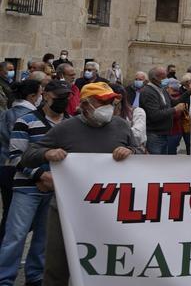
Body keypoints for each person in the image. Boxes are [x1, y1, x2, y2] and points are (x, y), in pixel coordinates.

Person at [20, 82, 139, 286]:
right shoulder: (65, 128)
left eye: (111, 102)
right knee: (57, 267)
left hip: (110, 211)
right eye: (101, 102)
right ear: (84, 105)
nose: (108, 107)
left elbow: (140, 154)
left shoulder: (121, 126)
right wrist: (47, 153)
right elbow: (28, 156)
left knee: (106, 264)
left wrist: (131, 152)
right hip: (66, 211)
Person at [0, 81, 69, 286]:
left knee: (44, 237)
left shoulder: (70, 124)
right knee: (16, 235)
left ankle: (35, 276)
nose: (63, 101)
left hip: (56, 190)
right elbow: (15, 156)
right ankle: (4, 278)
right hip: (27, 188)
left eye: (66, 97)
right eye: (58, 97)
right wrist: (40, 176)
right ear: (46, 95)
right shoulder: (26, 121)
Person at [0, 80, 42, 246]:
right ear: (32, 96)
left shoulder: (7, 113)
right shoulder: (28, 116)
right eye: (40, 94)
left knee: (9, 212)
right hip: (17, 168)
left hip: (4, 165)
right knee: (17, 217)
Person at [140, 66, 189, 154]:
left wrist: (188, 93)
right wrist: (175, 109)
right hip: (154, 135)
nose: (166, 79)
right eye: (163, 77)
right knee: (155, 161)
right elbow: (155, 115)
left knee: (163, 160)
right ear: (154, 79)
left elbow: (173, 102)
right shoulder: (148, 92)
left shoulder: (162, 89)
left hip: (165, 134)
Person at [110, 83, 146, 148]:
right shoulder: (104, 113)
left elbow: (137, 136)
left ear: (118, 99)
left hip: (132, 151)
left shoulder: (137, 112)